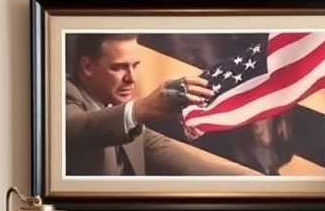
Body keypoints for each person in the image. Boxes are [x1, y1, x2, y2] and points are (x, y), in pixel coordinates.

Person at [65, 34, 257, 178]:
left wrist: (259, 181)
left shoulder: (130, 126)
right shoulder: (60, 91)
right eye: (119, 67)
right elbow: (73, 129)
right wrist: (143, 108)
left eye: (135, 66)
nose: (131, 78)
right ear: (88, 66)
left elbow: (189, 164)